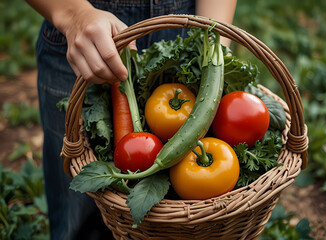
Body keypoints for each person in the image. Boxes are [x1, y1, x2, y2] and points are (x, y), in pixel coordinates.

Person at [25, 0, 237, 239]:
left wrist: (215, 39)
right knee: (77, 221)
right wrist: (74, 15)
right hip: (83, 34)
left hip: (187, 26)